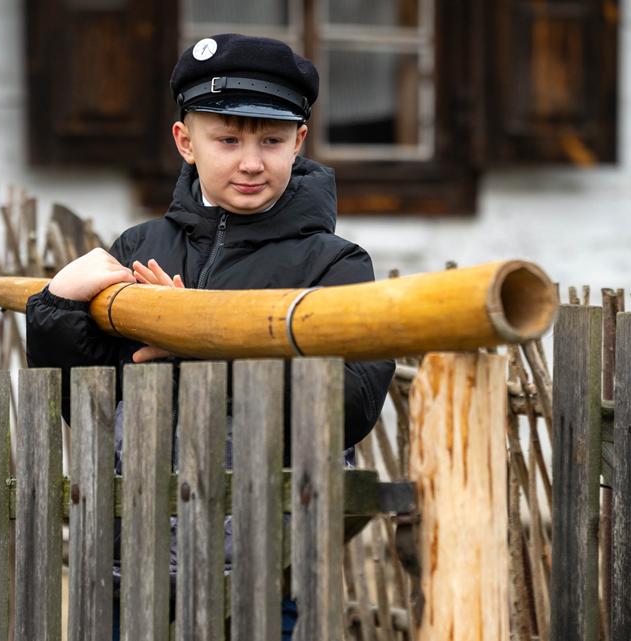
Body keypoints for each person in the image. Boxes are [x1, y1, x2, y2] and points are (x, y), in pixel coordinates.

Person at [25, 33, 395, 640]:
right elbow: (85, 403)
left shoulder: (335, 265)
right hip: (133, 563)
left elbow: (348, 408)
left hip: (269, 570)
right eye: (227, 140)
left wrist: (201, 344)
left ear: (299, 142)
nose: (251, 162)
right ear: (185, 142)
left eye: (271, 141)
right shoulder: (140, 248)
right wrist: (57, 307)